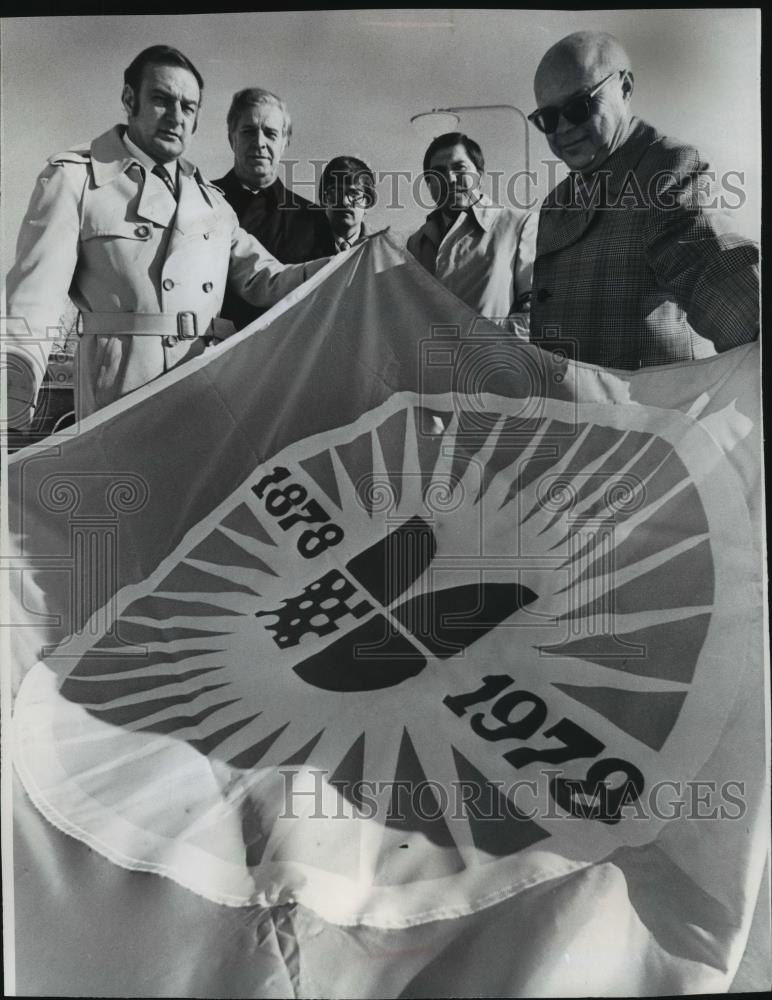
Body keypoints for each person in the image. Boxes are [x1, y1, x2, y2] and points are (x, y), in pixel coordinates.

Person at [4, 46, 330, 429]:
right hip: (119, 403)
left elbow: (267, 281)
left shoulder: (213, 203)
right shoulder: (75, 180)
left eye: (188, 108)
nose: (176, 117)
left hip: (203, 396)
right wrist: (12, 396)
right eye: (161, 100)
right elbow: (32, 302)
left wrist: (355, 261)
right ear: (130, 99)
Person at [528, 30, 759, 368]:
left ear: (625, 88)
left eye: (579, 107)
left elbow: (719, 277)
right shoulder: (555, 203)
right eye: (547, 118)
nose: (562, 127)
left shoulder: (667, 171)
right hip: (567, 415)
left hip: (644, 418)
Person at [212, 88, 330, 329]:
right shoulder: (202, 202)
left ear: (285, 142)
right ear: (231, 137)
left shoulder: (314, 220)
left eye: (270, 133)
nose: (259, 143)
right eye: (248, 132)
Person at [406, 132, 537, 330]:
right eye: (439, 172)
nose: (450, 178)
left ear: (480, 175)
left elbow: (536, 312)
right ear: (429, 184)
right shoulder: (416, 243)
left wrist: (489, 350)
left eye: (459, 168)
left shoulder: (520, 225)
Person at [317, 156, 376, 254]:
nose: (345, 202)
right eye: (336, 192)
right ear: (323, 199)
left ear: (367, 203)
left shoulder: (383, 251)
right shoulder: (298, 245)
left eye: (354, 194)